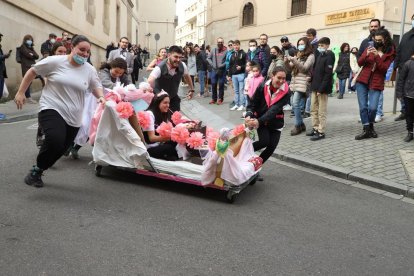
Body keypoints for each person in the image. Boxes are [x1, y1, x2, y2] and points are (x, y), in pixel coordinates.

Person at [14, 35, 105, 188]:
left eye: (88, 52)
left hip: (74, 116)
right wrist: (21, 92)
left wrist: (101, 97)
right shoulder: (55, 61)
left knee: (62, 149)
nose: (84, 54)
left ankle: (38, 170)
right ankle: (37, 170)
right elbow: (32, 71)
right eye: (81, 49)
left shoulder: (89, 70)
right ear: (72, 48)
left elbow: (96, 86)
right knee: (55, 139)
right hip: (51, 107)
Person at [354, 28, 395, 140]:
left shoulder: (389, 52)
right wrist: (366, 54)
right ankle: (366, 129)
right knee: (363, 107)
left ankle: (370, 126)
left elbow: (384, 69)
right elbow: (359, 63)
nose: (377, 41)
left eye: (379, 40)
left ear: (385, 39)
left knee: (373, 108)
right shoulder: (369, 47)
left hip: (377, 81)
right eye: (375, 39)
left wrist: (377, 55)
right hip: (362, 80)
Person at [245, 66, 290, 166]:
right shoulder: (262, 86)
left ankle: (254, 166)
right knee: (264, 142)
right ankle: (242, 152)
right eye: (279, 77)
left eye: (284, 78)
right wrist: (249, 114)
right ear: (272, 76)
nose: (282, 81)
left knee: (271, 147)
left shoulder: (287, 92)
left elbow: (274, 110)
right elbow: (253, 103)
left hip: (275, 121)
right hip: (261, 119)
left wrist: (258, 121)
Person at [36, 42, 68, 148]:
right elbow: (40, 73)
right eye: (60, 51)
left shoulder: (68, 63)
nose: (62, 54)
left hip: (63, 95)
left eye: (64, 52)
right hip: (49, 94)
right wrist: (46, 81)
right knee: (46, 114)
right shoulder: (49, 61)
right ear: (54, 51)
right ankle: (41, 135)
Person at [147, 45, 195, 112]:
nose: (178, 60)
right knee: (161, 121)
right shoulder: (159, 67)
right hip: (161, 100)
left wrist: (191, 89)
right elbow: (149, 81)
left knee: (176, 119)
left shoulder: (182, 65)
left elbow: (187, 76)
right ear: (169, 55)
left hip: (173, 97)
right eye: (175, 57)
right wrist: (155, 94)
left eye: (180, 57)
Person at [306, 37, 335, 141]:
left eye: (322, 45)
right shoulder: (319, 55)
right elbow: (315, 70)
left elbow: (328, 75)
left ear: (327, 45)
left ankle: (321, 131)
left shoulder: (329, 56)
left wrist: (321, 89)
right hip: (314, 86)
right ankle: (315, 128)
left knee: (321, 111)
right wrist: (311, 78)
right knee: (313, 109)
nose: (320, 47)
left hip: (322, 89)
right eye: (319, 46)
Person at [286, 37, 315, 135]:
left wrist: (294, 61)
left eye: (302, 44)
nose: (300, 46)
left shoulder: (311, 56)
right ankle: (301, 124)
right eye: (299, 44)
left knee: (295, 103)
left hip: (303, 83)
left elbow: (304, 68)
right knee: (295, 104)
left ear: (307, 45)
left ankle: (298, 125)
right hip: (295, 82)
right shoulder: (298, 55)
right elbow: (290, 68)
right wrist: (287, 61)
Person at [141, 91, 179, 161]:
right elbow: (151, 138)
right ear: (157, 103)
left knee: (177, 140)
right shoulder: (149, 115)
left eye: (168, 103)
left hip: (159, 144)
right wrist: (169, 137)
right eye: (165, 103)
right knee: (169, 148)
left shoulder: (162, 113)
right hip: (150, 148)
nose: (168, 105)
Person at [394, 14, 414, 122]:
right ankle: (404, 111)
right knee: (402, 90)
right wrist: (395, 65)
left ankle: (409, 113)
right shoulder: (406, 35)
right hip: (402, 69)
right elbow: (399, 50)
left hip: (413, 70)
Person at [396, 54, 414, 142]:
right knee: (409, 114)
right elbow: (401, 79)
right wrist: (399, 93)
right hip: (409, 94)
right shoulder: (408, 63)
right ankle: (410, 132)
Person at [19, 34, 40, 104]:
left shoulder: (31, 48)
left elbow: (37, 56)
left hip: (31, 66)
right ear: (25, 40)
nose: (30, 41)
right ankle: (28, 97)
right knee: (27, 81)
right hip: (25, 66)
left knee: (29, 82)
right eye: (28, 40)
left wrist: (32, 53)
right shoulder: (22, 47)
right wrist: (31, 54)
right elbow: (27, 54)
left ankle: (25, 96)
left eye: (31, 40)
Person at [207, 37, 227, 105]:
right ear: (217, 43)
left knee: (221, 84)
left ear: (223, 43)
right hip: (214, 70)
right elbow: (208, 58)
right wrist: (212, 64)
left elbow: (227, 61)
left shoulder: (226, 51)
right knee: (213, 84)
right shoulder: (213, 50)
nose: (220, 43)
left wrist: (222, 65)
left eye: (221, 42)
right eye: (219, 42)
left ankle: (220, 99)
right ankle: (214, 99)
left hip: (222, 71)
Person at [228, 40, 247, 111]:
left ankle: (242, 104)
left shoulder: (243, 53)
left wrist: (241, 67)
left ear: (239, 45)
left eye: (237, 45)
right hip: (234, 75)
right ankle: (236, 104)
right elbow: (230, 66)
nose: (236, 46)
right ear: (233, 46)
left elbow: (246, 64)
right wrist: (229, 75)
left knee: (241, 90)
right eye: (234, 45)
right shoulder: (232, 55)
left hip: (241, 74)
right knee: (236, 91)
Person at [0, 33, 11, 119]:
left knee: (0, 93)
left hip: (1, 73)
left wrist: (5, 56)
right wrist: (4, 56)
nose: (0, 38)